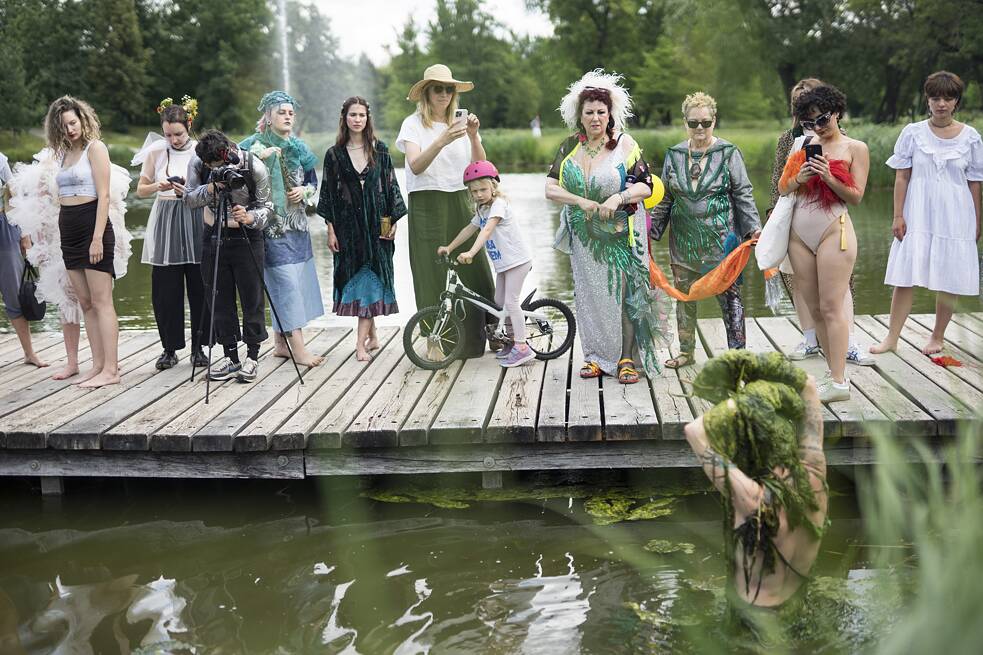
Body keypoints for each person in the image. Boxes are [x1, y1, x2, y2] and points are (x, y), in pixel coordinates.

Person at [546, 69, 670, 383]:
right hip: (583, 239)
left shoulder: (625, 145)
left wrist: (617, 198)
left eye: (601, 112)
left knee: (626, 293)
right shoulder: (569, 147)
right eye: (589, 112)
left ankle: (627, 358)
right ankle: (596, 357)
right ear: (580, 115)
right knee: (590, 297)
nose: (596, 117)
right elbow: (550, 188)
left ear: (610, 113)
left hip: (623, 235)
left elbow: (646, 186)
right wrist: (580, 201)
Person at [684, 372, 827, 629]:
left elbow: (695, 432)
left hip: (755, 626)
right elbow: (809, 384)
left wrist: (746, 401)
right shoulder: (814, 475)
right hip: (799, 612)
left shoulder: (752, 499)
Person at [870, 71, 982, 356]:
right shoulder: (913, 133)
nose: (941, 103)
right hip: (917, 213)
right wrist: (898, 215)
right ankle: (891, 338)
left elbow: (974, 183)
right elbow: (902, 177)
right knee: (905, 275)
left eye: (948, 98)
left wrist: (977, 222)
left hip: (956, 214)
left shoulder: (971, 138)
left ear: (956, 101)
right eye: (936, 97)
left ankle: (937, 336)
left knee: (949, 274)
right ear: (927, 100)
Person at [650, 92, 762, 369]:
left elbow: (743, 194)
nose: (699, 128)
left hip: (723, 241)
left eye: (706, 122)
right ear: (685, 122)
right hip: (683, 241)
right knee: (684, 297)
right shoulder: (674, 155)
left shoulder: (728, 153)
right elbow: (664, 198)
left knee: (731, 297)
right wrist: (649, 235)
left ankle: (738, 356)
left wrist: (754, 230)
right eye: (693, 123)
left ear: (714, 121)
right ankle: (686, 353)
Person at [768, 79, 872, 366]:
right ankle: (829, 367)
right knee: (815, 308)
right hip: (799, 233)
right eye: (810, 122)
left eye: (823, 118)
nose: (818, 125)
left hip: (833, 230)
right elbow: (782, 186)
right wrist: (798, 178)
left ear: (836, 111)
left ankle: (841, 370)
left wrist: (828, 177)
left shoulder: (856, 147)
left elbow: (856, 197)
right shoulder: (800, 144)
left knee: (831, 305)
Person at [396, 63, 496, 358]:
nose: (443, 94)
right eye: (437, 89)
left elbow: (480, 170)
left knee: (475, 264)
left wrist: (474, 136)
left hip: (459, 199)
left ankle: (491, 329)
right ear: (426, 93)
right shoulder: (413, 124)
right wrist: (443, 139)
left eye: (448, 89)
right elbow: (415, 165)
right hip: (426, 201)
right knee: (431, 269)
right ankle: (434, 339)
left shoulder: (460, 124)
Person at [47, 96, 131, 388]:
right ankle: (97, 364)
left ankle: (112, 369)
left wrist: (97, 239)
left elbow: (104, 195)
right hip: (68, 228)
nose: (70, 129)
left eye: (73, 122)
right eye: (64, 125)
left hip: (92, 225)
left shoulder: (96, 148)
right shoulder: (63, 154)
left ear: (83, 120)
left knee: (101, 300)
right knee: (84, 302)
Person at [240, 91, 324, 367]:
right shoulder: (253, 146)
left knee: (296, 282)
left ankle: (280, 344)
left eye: (290, 113)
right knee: (285, 285)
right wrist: (262, 158)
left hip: (298, 226)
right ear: (267, 116)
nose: (288, 116)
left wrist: (304, 190)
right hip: (271, 227)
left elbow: (313, 184)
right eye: (281, 112)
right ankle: (299, 349)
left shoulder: (299, 148)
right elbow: (239, 180)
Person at [318, 96, 406, 362]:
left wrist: (391, 224)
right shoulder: (334, 154)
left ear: (368, 119)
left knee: (373, 279)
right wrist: (331, 230)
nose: (358, 119)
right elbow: (328, 195)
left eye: (362, 115)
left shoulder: (380, 150)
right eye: (353, 115)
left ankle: (360, 344)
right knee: (356, 280)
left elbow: (391, 189)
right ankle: (373, 334)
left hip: (378, 228)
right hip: (347, 229)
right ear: (344, 118)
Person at [185, 129, 273, 383]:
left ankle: (253, 357)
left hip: (247, 238)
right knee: (218, 298)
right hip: (213, 236)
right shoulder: (198, 162)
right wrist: (211, 189)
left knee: (252, 298)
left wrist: (249, 217)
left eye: (220, 166)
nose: (217, 169)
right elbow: (188, 199)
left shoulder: (254, 166)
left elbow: (268, 207)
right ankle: (231, 356)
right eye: (211, 167)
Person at [133, 96, 207, 370]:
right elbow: (140, 190)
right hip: (165, 218)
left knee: (199, 284)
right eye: (168, 134)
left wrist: (189, 189)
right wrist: (159, 186)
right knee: (166, 287)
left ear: (188, 126)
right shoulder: (155, 152)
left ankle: (200, 347)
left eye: (178, 134)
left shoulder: (200, 151)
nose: (174, 140)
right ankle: (169, 347)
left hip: (194, 216)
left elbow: (211, 189)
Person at [438, 160, 533, 368]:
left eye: (483, 189)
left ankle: (522, 347)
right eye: (474, 191)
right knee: (499, 303)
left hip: (517, 261)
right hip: (504, 265)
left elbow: (487, 230)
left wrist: (472, 252)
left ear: (493, 186)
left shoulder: (499, 205)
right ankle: (510, 340)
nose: (479, 194)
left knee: (511, 302)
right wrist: (450, 247)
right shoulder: (482, 209)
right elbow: (469, 230)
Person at [0, 150, 48, 368]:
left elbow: (14, 195)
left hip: (5, 228)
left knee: (15, 293)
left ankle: (29, 353)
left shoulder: (0, 159)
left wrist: (25, 234)